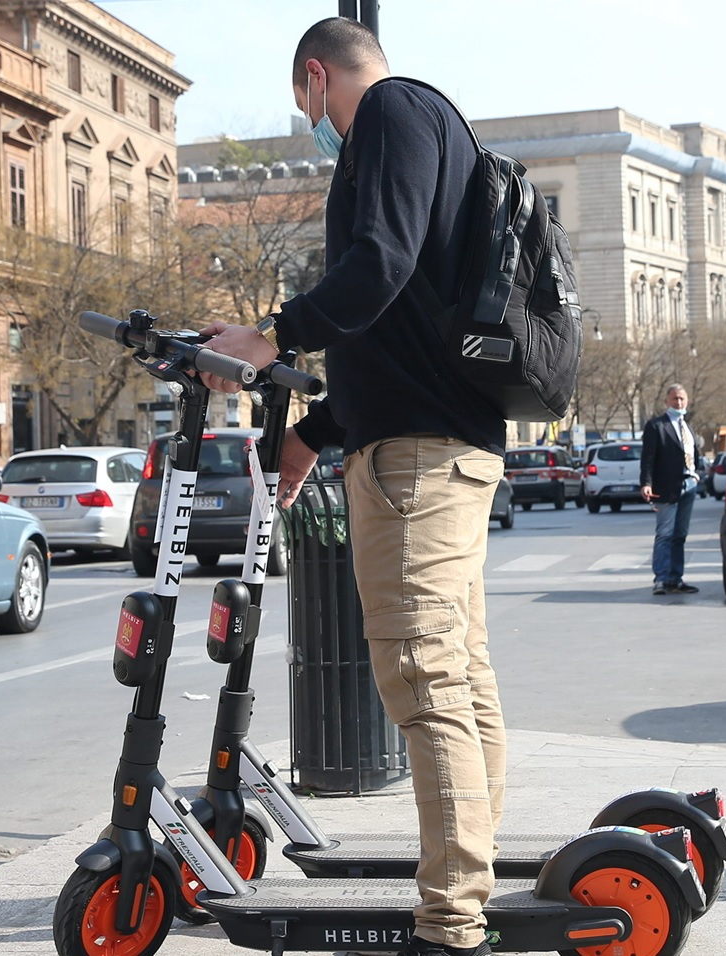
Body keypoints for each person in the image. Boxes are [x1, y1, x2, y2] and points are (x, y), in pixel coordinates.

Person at [195, 17, 502, 956]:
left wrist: (271, 333)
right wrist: (317, 434)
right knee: (459, 675)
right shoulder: (411, 132)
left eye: (307, 108)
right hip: (423, 442)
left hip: (420, 459)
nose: (314, 127)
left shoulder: (392, 114)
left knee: (424, 676)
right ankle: (469, 882)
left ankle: (451, 925)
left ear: (315, 79)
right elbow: (393, 325)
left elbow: (376, 273)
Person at [640, 384, 702, 595]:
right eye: (675, 399)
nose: (679, 403)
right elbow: (648, 458)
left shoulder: (688, 427)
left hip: (689, 486)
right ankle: (661, 579)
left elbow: (694, 453)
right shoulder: (657, 426)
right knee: (665, 534)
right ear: (666, 401)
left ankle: (676, 578)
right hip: (666, 487)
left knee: (680, 535)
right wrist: (646, 483)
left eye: (682, 399)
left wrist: (696, 473)